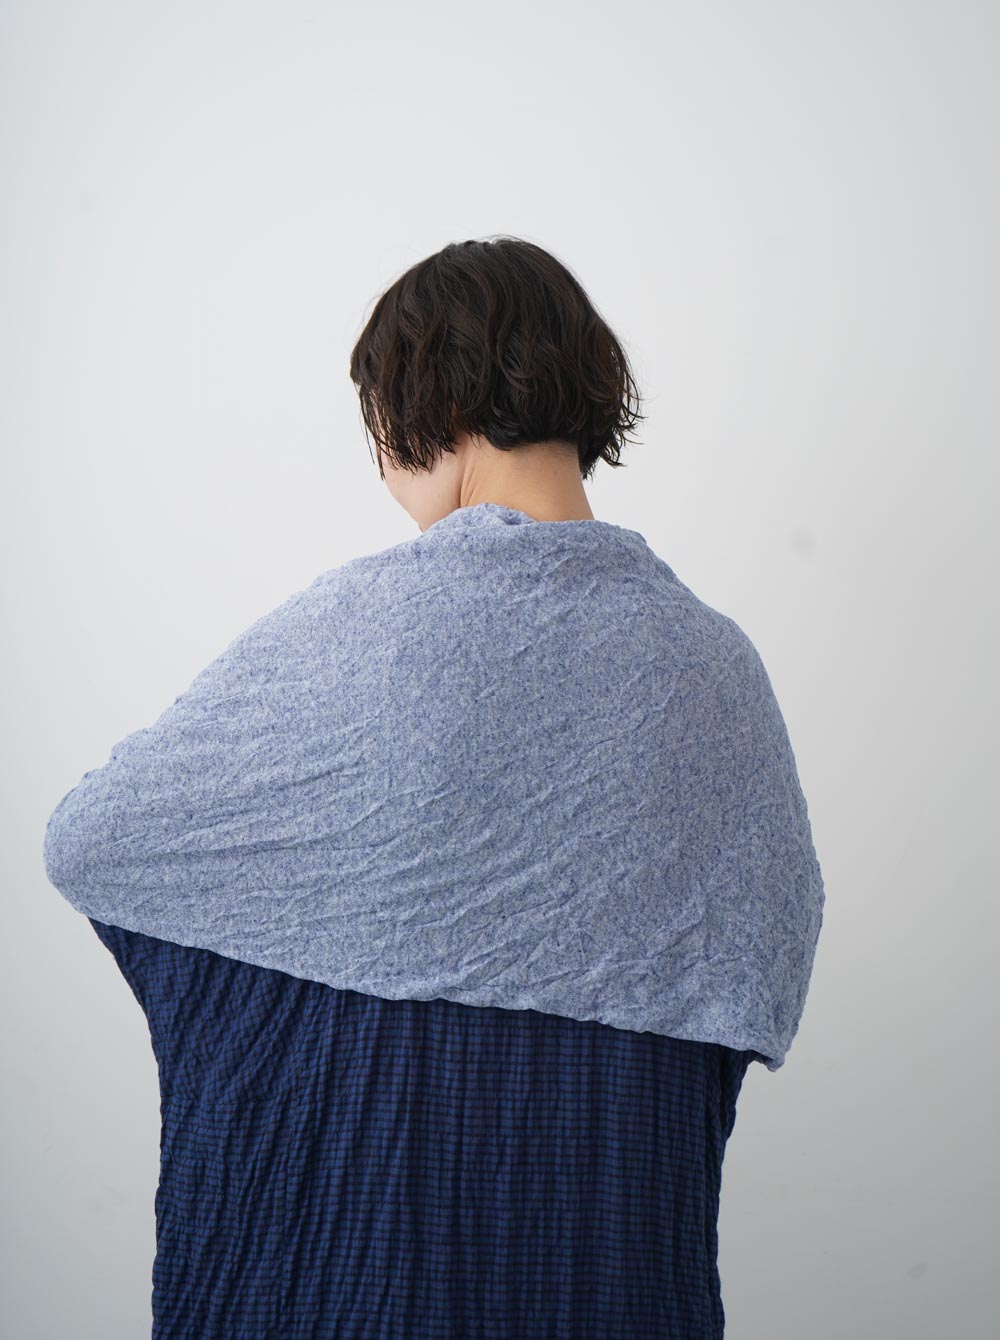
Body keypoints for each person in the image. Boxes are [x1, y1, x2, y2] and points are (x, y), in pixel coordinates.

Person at [44, 235, 824, 1339]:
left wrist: (357, 946)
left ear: (432, 406)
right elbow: (764, 956)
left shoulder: (360, 625)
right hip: (610, 1244)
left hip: (364, 1236)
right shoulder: (716, 665)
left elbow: (93, 842)